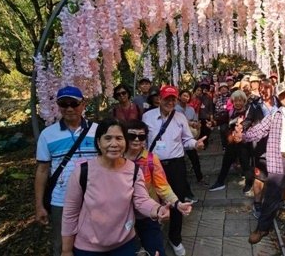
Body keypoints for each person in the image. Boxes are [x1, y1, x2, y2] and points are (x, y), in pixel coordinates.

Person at [61, 118, 170, 256]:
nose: (114, 144)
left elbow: (141, 200)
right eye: (108, 138)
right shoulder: (82, 172)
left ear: (125, 142)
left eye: (119, 138)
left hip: (125, 245)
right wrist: (66, 250)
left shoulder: (134, 170)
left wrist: (157, 209)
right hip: (88, 248)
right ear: (98, 142)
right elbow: (70, 214)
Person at [233, 80, 285, 252]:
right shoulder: (273, 115)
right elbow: (259, 131)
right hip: (277, 161)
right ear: (278, 97)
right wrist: (242, 136)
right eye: (282, 95)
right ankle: (262, 228)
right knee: (271, 196)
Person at [142, 85, 206, 256]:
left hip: (176, 164)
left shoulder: (179, 117)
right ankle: (153, 236)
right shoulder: (147, 117)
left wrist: (195, 144)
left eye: (173, 99)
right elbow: (142, 141)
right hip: (153, 165)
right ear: (159, 99)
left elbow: (187, 140)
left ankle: (175, 237)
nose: (170, 102)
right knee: (151, 199)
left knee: (177, 200)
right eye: (167, 98)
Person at [34, 86, 98, 256]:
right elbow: (42, 170)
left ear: (83, 104)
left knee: (96, 241)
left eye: (74, 103)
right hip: (61, 199)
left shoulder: (98, 130)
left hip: (95, 197)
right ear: (58, 105)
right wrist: (39, 205)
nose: (69, 108)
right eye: (64, 104)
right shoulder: (48, 134)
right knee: (62, 245)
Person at [123, 120, 193, 256]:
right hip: (123, 215)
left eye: (141, 137)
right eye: (132, 136)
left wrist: (177, 203)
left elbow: (163, 186)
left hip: (147, 214)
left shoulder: (150, 159)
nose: (137, 140)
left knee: (155, 249)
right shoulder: (116, 159)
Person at [208, 90, 263, 193]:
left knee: (245, 164)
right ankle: (220, 182)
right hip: (232, 142)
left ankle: (249, 183)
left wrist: (241, 126)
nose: (238, 103)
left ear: (244, 101)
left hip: (244, 143)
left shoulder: (248, 111)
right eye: (235, 101)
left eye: (240, 100)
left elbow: (249, 121)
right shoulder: (231, 111)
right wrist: (213, 123)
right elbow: (223, 119)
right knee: (226, 162)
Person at [251, 81, 280, 218]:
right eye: (261, 89)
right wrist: (242, 127)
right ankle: (257, 203)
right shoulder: (255, 104)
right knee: (260, 177)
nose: (264, 91)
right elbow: (248, 119)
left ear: (273, 89)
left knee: (277, 177)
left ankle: (274, 204)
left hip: (279, 147)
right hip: (261, 146)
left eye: (267, 88)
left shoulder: (281, 103)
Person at [175, 90, 208, 200]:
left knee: (194, 158)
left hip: (188, 137)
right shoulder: (174, 109)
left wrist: (197, 126)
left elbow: (195, 121)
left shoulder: (191, 109)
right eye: (183, 95)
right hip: (177, 139)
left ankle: (200, 177)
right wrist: (189, 123)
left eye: (187, 96)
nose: (185, 97)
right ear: (179, 97)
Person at [197, 83, 214, 148]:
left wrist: (211, 116)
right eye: (203, 88)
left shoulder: (208, 97)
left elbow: (211, 107)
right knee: (200, 132)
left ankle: (205, 143)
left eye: (206, 88)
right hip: (198, 117)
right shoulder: (197, 97)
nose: (204, 90)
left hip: (206, 116)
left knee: (207, 131)